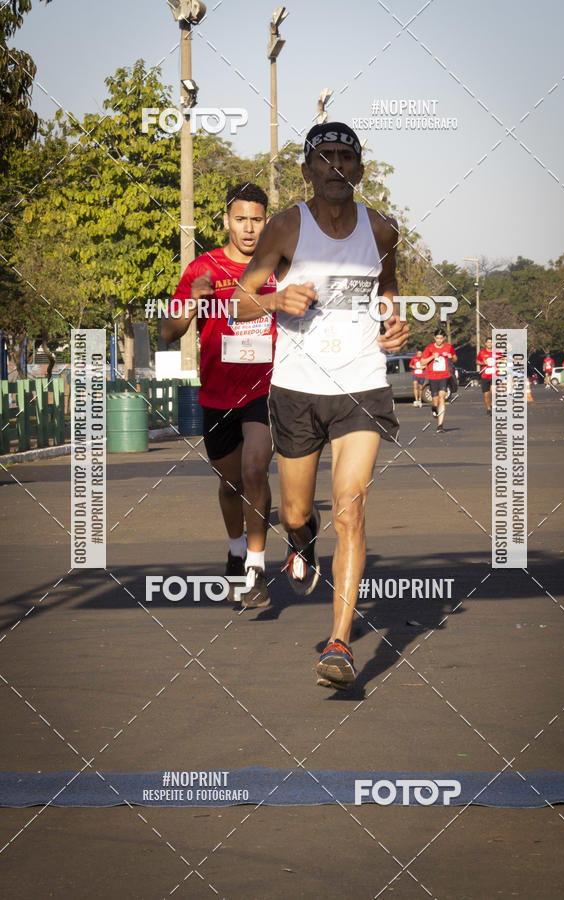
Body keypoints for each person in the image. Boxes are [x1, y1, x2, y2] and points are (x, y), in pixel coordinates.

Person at [230, 122, 410, 689]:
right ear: (308, 169)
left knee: (351, 510)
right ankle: (301, 539)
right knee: (294, 512)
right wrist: (276, 297)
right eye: (324, 157)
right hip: (297, 388)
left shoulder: (381, 230)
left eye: (345, 157)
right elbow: (239, 301)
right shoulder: (286, 226)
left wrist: (394, 322)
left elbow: (387, 289)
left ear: (360, 169)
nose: (335, 166)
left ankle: (339, 643)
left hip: (361, 385)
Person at [162, 183, 276, 609]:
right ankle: (235, 550)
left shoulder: (279, 265)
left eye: (256, 220)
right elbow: (168, 331)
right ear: (226, 220)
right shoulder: (203, 268)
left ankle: (256, 569)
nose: (248, 228)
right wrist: (193, 302)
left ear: (266, 221)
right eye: (240, 219)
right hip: (217, 393)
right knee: (231, 484)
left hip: (265, 388)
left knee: (254, 471)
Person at [421, 329, 457, 433]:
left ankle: (440, 426)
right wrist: (432, 356)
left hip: (444, 376)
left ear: (444, 338)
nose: (439, 340)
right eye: (437, 338)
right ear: (434, 338)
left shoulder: (449, 347)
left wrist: (451, 357)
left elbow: (455, 359)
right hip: (432, 377)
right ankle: (433, 408)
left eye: (441, 338)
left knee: (442, 397)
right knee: (435, 400)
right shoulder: (429, 348)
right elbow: (422, 362)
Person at [476, 336, 502, 415]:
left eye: (491, 342)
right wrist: (483, 363)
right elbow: (477, 361)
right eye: (488, 342)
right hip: (485, 376)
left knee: (493, 392)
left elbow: (502, 360)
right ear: (485, 343)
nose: (489, 344)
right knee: (486, 394)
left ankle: (493, 406)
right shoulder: (482, 352)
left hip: (494, 375)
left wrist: (499, 361)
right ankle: (488, 408)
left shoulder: (497, 352)